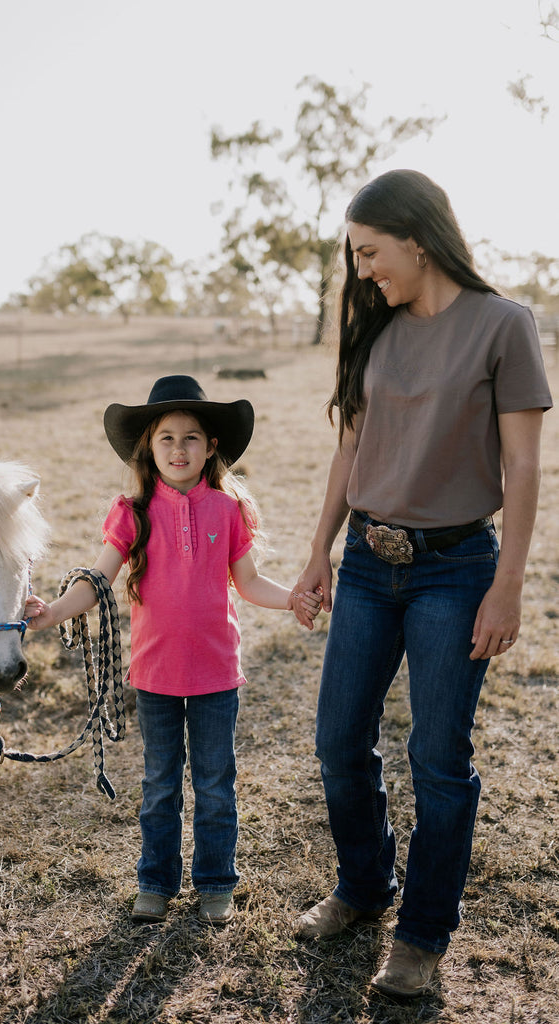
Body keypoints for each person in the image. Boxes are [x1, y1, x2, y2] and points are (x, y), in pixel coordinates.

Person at [290, 169, 553, 997]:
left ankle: (422, 935)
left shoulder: (504, 325)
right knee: (338, 742)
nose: (363, 269)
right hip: (368, 564)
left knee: (437, 757)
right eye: (354, 256)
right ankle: (364, 889)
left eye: (370, 251)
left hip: (455, 570)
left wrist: (505, 586)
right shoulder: (374, 329)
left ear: (417, 236)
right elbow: (348, 450)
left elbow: (521, 464)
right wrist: (317, 554)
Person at [26, 375, 321, 926]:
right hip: (155, 675)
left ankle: (214, 883)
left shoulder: (228, 510)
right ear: (149, 447)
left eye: (191, 438)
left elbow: (250, 583)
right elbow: (98, 580)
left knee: (214, 785)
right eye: (166, 438)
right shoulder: (132, 511)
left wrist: (295, 601)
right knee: (160, 786)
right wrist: (53, 613)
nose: (178, 449)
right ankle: (156, 883)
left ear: (211, 447)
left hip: (216, 675)